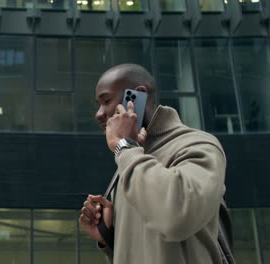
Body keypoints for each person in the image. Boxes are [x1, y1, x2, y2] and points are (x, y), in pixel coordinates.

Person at [79, 63, 227, 264]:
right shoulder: (130, 161)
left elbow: (177, 215)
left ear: (137, 96)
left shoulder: (198, 145)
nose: (98, 114)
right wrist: (110, 238)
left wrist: (124, 147)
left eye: (106, 100)